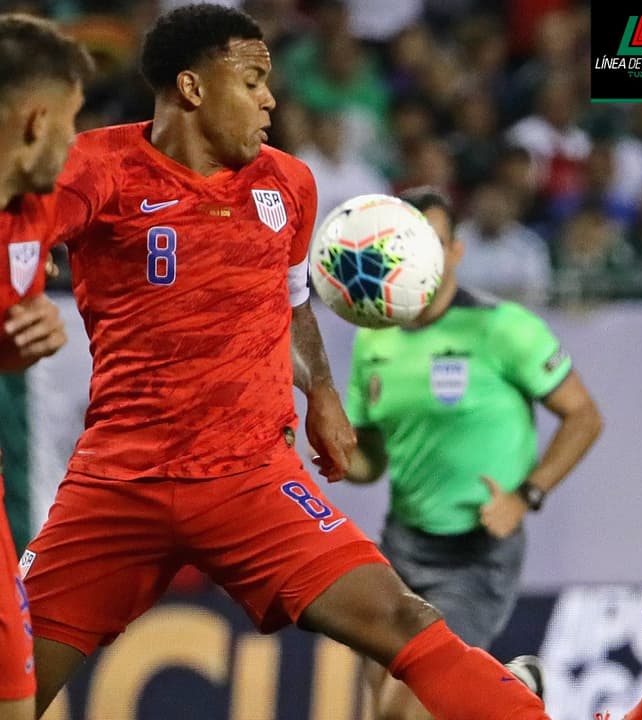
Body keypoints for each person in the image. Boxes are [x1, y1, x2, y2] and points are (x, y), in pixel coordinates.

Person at [20, 5, 551, 719]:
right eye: (253, 79)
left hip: (251, 478)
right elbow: (20, 223)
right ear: (192, 88)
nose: (272, 99)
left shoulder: (289, 186)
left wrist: (323, 394)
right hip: (121, 482)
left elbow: (293, 297)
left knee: (404, 619)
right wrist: (19, 297)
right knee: (15, 679)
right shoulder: (99, 168)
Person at [346, 186, 603, 720]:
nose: (422, 258)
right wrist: (335, 453)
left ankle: (508, 686)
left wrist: (526, 494)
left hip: (475, 555)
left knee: (407, 710)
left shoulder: (502, 328)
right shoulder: (376, 339)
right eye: (408, 245)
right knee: (383, 710)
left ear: (456, 251)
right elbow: (369, 462)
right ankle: (514, 687)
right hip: (402, 545)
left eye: (434, 243)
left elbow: (584, 416)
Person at [0, 15, 91, 720]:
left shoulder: (33, 216)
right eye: (71, 119)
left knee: (17, 698)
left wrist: (28, 335)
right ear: (35, 121)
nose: (75, 140)